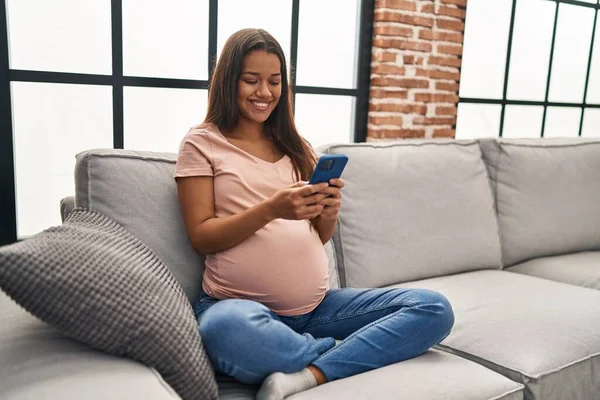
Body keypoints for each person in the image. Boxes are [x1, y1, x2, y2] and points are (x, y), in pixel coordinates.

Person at [174, 28, 454, 400]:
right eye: (251, 80)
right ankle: (349, 352)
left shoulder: (294, 145)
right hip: (236, 306)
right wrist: (272, 208)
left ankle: (307, 374)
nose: (265, 93)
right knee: (224, 330)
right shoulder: (201, 143)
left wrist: (327, 211)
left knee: (434, 308)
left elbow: (317, 236)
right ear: (228, 81)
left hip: (319, 309)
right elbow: (201, 236)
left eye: (274, 81)